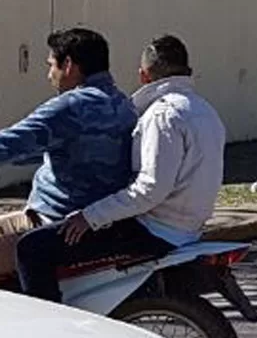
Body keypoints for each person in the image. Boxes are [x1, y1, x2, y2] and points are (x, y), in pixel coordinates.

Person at [15, 36, 226, 304]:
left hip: (154, 230)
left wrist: (89, 217)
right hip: (187, 228)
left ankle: (50, 328)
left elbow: (150, 189)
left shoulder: (163, 116)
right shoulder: (205, 111)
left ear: (143, 75)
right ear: (188, 71)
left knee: (31, 248)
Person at [0, 29, 136, 282]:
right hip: (98, 219)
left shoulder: (70, 107)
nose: (49, 74)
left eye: (51, 65)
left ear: (69, 65)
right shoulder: (123, 103)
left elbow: (12, 143)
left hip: (55, 222)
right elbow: (45, 148)